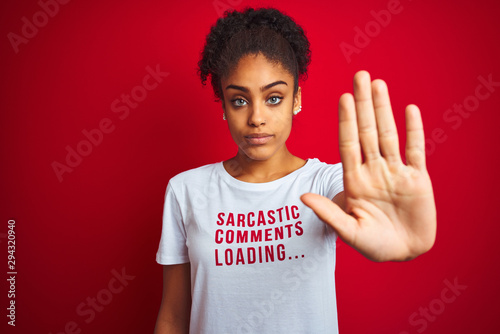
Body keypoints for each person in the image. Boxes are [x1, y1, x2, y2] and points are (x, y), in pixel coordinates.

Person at [154, 7, 436, 334]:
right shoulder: (186, 190)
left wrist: (395, 222)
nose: (257, 117)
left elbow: (353, 201)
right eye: (240, 101)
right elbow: (174, 317)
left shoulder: (326, 182)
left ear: (296, 99)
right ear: (223, 105)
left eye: (274, 98)